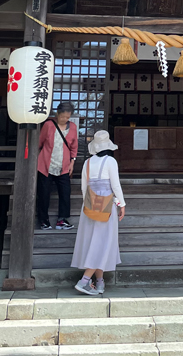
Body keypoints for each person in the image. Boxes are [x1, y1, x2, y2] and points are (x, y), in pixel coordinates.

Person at [72, 130, 126, 295]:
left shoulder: (87, 163)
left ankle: (100, 282)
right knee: (103, 244)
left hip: (89, 207)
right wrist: (121, 203)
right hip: (106, 207)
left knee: (94, 242)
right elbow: (115, 186)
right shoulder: (111, 161)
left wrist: (88, 204)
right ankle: (84, 281)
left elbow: (83, 187)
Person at [36, 102, 79, 230]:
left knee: (65, 193)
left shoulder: (73, 127)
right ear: (58, 114)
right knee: (43, 193)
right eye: (63, 116)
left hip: (64, 166)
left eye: (68, 117)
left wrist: (72, 162)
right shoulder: (49, 125)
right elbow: (39, 142)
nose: (65, 119)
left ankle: (62, 220)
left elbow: (74, 147)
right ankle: (43, 220)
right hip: (46, 165)